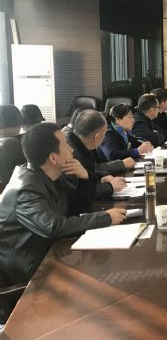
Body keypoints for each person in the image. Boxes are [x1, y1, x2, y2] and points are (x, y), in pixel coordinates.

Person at [0, 123, 126, 287]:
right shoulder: (26, 189)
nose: (71, 150)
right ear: (53, 158)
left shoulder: (49, 174)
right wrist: (105, 218)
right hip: (29, 274)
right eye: (66, 145)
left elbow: (77, 207)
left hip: (52, 255)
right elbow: (53, 227)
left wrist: (84, 177)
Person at [66, 109, 125, 199]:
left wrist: (102, 177)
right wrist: (110, 187)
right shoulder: (70, 154)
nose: (104, 137)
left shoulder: (78, 142)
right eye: (104, 134)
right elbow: (78, 193)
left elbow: (89, 171)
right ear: (97, 136)